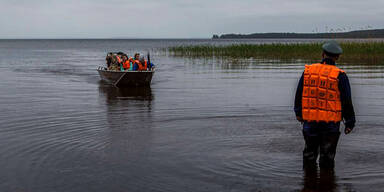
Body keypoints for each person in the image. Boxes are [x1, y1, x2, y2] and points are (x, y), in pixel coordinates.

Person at [294, 40, 356, 169]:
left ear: (322, 54)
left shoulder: (308, 71)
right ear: (337, 57)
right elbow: (346, 101)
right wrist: (350, 122)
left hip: (310, 121)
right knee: (327, 158)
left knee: (309, 155)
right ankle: (327, 184)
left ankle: (308, 184)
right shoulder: (340, 75)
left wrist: (298, 113)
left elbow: (299, 93)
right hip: (331, 124)